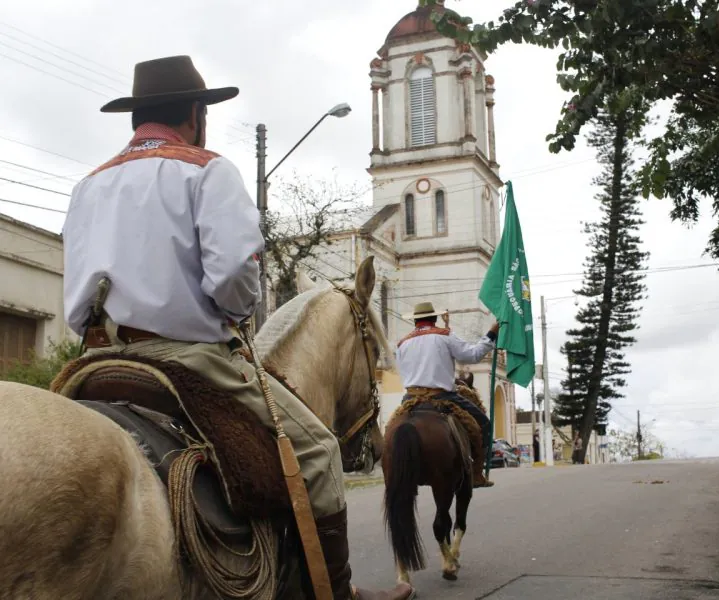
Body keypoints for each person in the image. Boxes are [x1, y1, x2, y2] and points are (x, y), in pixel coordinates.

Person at [61, 55, 413, 600]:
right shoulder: (206, 170)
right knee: (318, 453)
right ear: (197, 114)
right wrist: (233, 311)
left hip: (96, 360)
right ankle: (336, 594)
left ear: (138, 116)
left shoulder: (88, 185)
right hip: (186, 358)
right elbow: (234, 282)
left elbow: (74, 306)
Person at [395, 301, 499, 488]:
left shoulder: (402, 343)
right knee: (484, 423)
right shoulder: (444, 336)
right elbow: (473, 355)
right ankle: (476, 473)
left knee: (391, 428)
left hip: (409, 399)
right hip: (441, 396)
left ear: (415, 321)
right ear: (434, 318)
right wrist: (491, 334)